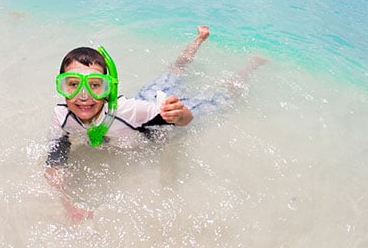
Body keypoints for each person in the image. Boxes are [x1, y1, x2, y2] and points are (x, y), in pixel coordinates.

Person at [44, 25, 265, 221]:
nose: (83, 96)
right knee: (172, 72)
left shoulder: (129, 111)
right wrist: (58, 176)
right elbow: (57, 149)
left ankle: (250, 65)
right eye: (72, 84)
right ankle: (200, 38)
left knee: (217, 99)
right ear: (60, 87)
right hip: (146, 95)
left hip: (156, 109)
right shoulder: (61, 116)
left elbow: (185, 122)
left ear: (109, 88)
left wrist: (179, 114)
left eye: (95, 85)